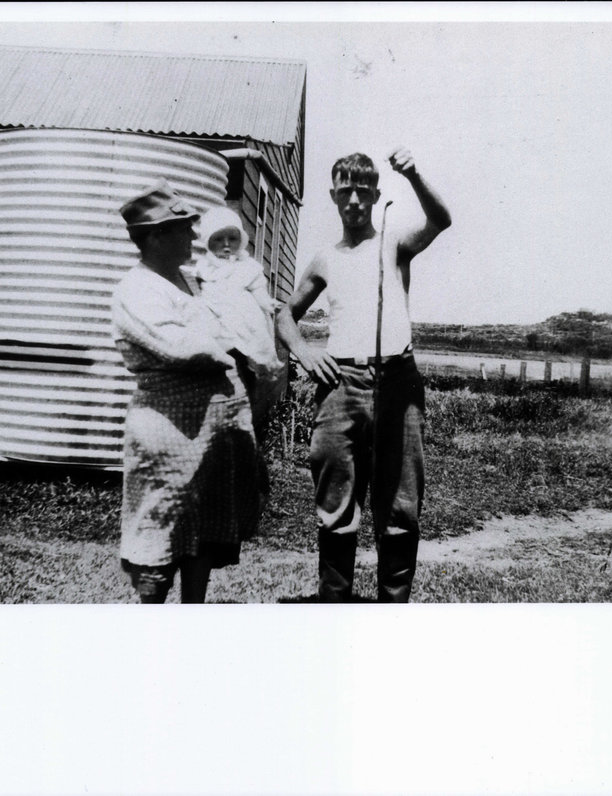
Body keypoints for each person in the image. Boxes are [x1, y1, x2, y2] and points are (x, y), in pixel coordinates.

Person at [275, 148, 451, 602]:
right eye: (345, 190)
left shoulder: (393, 243)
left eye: (363, 190)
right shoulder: (324, 258)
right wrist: (303, 352)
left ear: (375, 195)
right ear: (333, 195)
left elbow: (441, 221)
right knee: (334, 506)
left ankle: (392, 610)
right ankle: (335, 608)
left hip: (398, 383)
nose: (354, 199)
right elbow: (284, 316)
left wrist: (413, 174)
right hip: (340, 388)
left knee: (400, 508)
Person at [111, 179, 264, 603]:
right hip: (169, 430)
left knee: (202, 530)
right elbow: (182, 346)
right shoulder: (136, 289)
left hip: (209, 432)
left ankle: (193, 616)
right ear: (157, 235)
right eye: (185, 228)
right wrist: (228, 347)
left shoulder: (188, 281)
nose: (195, 237)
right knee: (161, 527)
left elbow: (228, 325)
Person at [180, 205, 285, 434]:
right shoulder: (203, 267)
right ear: (208, 242)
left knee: (245, 369)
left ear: (241, 240)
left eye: (232, 238)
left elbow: (258, 290)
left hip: (244, 322)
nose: (226, 245)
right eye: (218, 239)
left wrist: (267, 302)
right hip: (217, 323)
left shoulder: (248, 267)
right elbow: (195, 291)